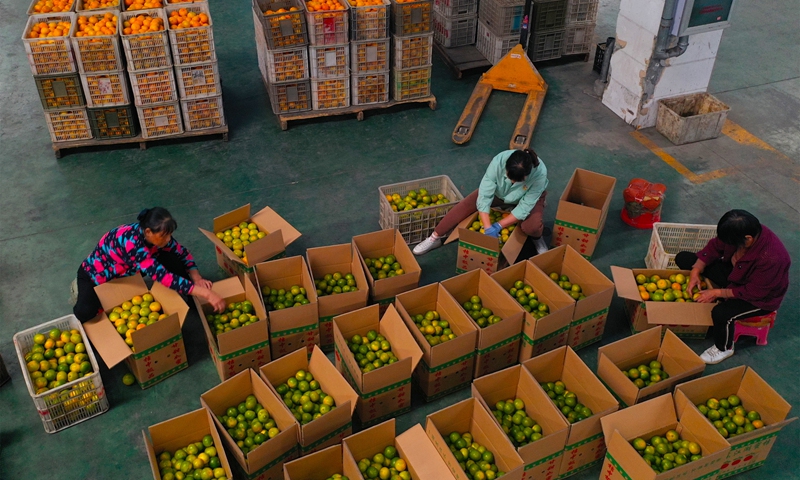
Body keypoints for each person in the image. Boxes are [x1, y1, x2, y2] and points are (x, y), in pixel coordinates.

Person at [675, 210, 790, 364]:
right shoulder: (739, 231)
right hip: (735, 275)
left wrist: (718, 292)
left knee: (721, 314)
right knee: (684, 258)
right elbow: (714, 247)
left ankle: (724, 348)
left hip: (759, 298)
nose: (728, 245)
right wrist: (696, 271)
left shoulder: (772, 258)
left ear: (748, 239)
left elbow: (753, 292)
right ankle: (718, 291)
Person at [72, 207, 226, 322]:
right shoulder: (132, 244)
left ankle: (194, 302)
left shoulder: (157, 237)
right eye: (163, 236)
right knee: (85, 312)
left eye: (169, 235)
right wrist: (206, 293)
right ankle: (78, 288)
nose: (167, 240)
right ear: (148, 232)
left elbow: (182, 253)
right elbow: (164, 278)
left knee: (172, 257)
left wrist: (196, 277)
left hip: (128, 270)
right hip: (96, 275)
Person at [413, 148, 549, 256]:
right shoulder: (499, 161)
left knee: (531, 227)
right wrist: (488, 227)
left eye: (517, 181)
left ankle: (537, 238)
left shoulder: (539, 174)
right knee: (466, 205)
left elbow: (524, 207)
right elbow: (484, 196)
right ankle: (434, 237)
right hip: (499, 193)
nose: (513, 182)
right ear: (506, 168)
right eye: (510, 178)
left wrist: (499, 226)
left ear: (527, 176)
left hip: (526, 197)